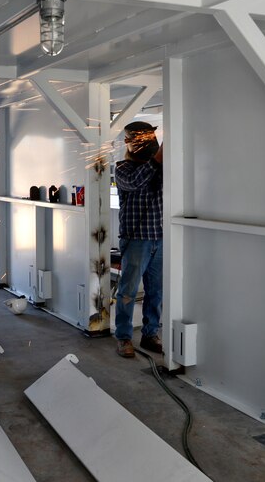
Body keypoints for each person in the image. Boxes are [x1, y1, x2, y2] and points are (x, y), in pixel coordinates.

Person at [113, 121, 163, 358]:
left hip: (159, 238)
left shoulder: (161, 167)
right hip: (135, 241)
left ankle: (150, 334)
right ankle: (123, 337)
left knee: (156, 292)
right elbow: (136, 182)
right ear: (129, 142)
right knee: (128, 291)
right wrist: (158, 158)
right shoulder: (123, 168)